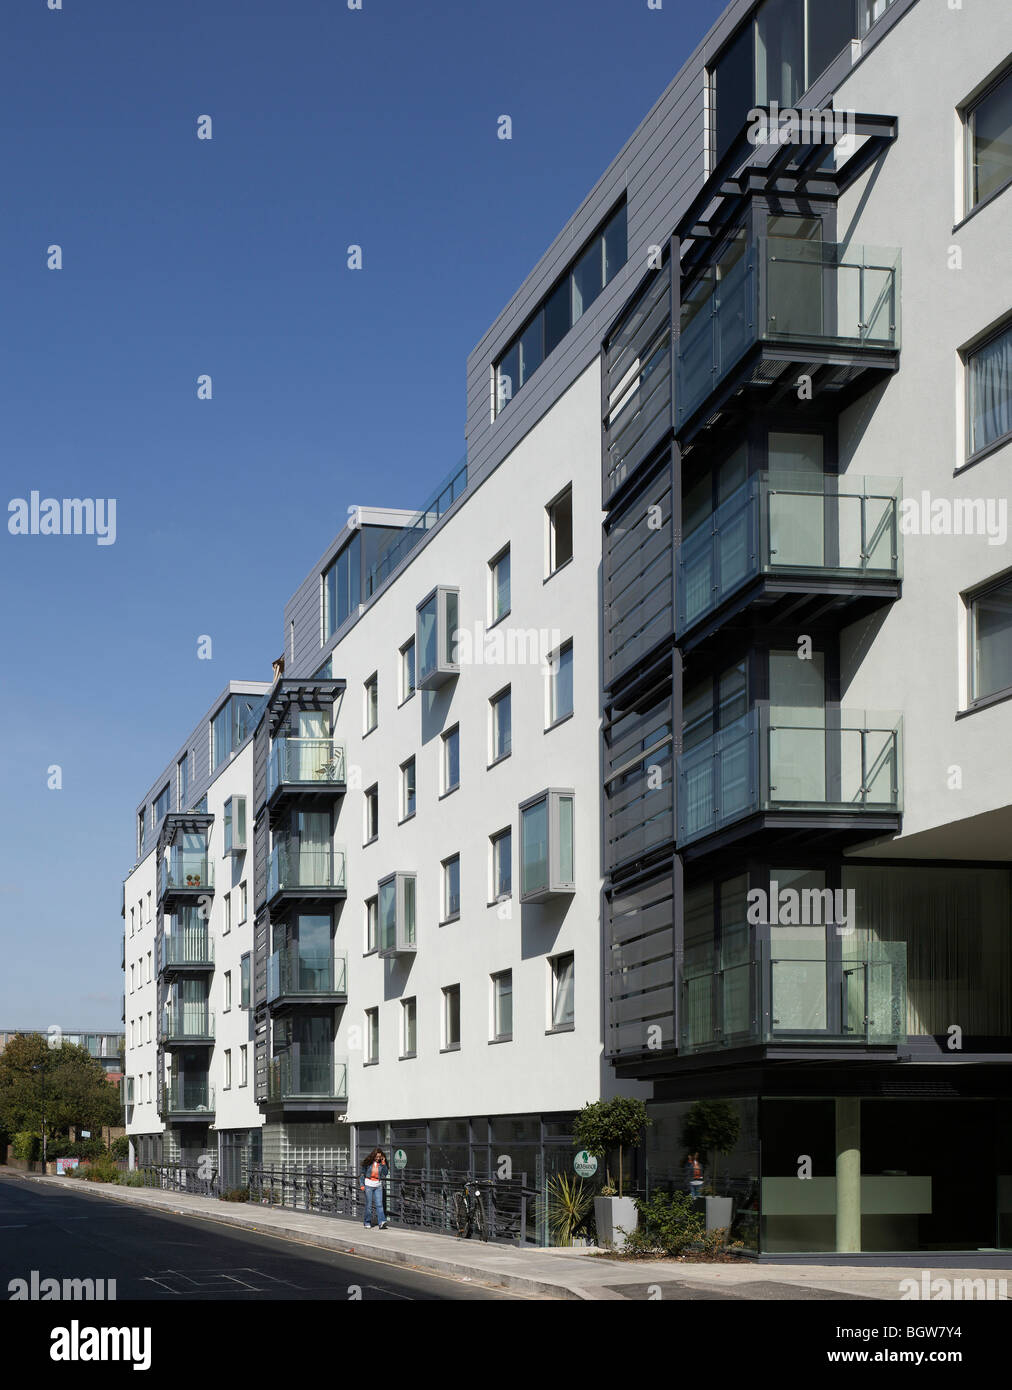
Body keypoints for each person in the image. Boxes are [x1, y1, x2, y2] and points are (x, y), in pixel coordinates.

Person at [360, 1148, 389, 1229]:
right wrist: (362, 1185)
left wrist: (383, 1163)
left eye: (379, 1157)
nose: (378, 1158)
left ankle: (382, 1222)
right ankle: (367, 1222)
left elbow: (385, 1173)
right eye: (376, 1157)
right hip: (368, 1184)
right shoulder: (368, 1163)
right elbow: (362, 1174)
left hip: (378, 1185)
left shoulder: (381, 1164)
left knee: (379, 1204)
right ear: (373, 1156)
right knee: (369, 1205)